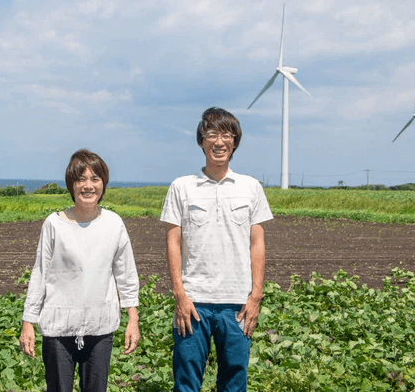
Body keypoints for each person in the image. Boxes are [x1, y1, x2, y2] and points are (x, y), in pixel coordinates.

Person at [161, 107, 273, 392]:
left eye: (226, 135)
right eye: (211, 134)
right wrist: (179, 294)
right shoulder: (182, 187)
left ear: (235, 142)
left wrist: (256, 295)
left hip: (238, 304)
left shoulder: (251, 187)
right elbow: (173, 241)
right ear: (201, 141)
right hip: (193, 301)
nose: (219, 142)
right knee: (186, 380)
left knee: (235, 379)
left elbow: (257, 243)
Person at [20, 149, 140, 392]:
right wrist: (28, 321)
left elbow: (126, 273)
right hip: (58, 326)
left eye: (95, 179)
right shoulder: (54, 224)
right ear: (71, 185)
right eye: (81, 179)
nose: (88, 186)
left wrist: (133, 318)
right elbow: (40, 273)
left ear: (103, 184)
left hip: (100, 326)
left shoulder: (113, 224)